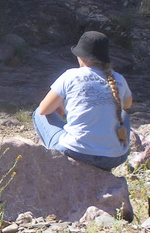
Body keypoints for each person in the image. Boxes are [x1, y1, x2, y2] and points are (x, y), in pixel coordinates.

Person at [32, 31, 132, 171]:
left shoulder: (70, 75)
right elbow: (127, 105)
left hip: (75, 151)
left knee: (38, 113)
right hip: (115, 157)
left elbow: (44, 110)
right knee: (124, 115)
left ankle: (55, 162)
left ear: (80, 57)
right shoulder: (119, 79)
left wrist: (60, 104)